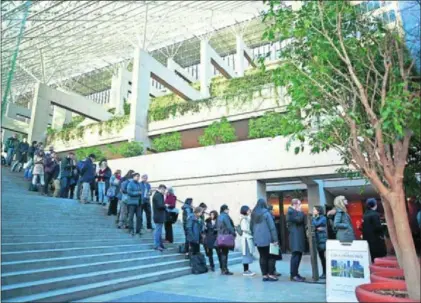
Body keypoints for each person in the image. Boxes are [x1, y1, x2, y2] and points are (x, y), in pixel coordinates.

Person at [251, 199, 278, 281]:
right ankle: (271, 274)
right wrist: (275, 239)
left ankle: (264, 275)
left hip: (258, 240)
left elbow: (251, 228)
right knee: (272, 256)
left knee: (262, 257)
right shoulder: (266, 213)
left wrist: (255, 236)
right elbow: (272, 227)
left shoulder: (253, 214)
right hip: (269, 239)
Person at [287, 198, 306, 282]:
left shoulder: (294, 212)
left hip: (298, 237)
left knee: (298, 255)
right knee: (295, 256)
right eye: (299, 204)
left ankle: (296, 273)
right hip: (295, 238)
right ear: (295, 205)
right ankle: (293, 275)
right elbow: (299, 219)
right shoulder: (291, 212)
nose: (300, 206)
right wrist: (300, 212)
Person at [362, 198, 387, 263]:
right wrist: (384, 226)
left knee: (373, 258)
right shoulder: (375, 214)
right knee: (380, 258)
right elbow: (377, 227)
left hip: (368, 240)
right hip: (376, 240)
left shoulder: (365, 215)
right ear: (375, 205)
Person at [216, 204, 235, 275]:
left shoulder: (219, 216)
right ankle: (225, 269)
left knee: (222, 253)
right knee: (224, 253)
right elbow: (229, 226)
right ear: (225, 209)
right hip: (225, 236)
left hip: (220, 237)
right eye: (227, 209)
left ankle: (223, 269)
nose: (228, 210)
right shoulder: (225, 216)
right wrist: (233, 233)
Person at [239, 205, 256, 277]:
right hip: (246, 238)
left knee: (248, 254)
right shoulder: (244, 219)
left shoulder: (247, 218)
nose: (249, 211)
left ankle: (247, 270)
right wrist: (251, 231)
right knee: (245, 254)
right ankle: (245, 270)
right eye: (248, 210)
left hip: (248, 238)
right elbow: (244, 228)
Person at [312, 205, 327, 279]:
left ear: (318, 211)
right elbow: (313, 227)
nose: (313, 211)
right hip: (318, 240)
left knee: (323, 258)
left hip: (322, 240)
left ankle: (325, 273)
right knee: (321, 257)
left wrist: (313, 219)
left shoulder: (323, 218)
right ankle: (324, 273)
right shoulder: (316, 218)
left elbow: (315, 224)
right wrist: (316, 228)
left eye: (314, 210)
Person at [153, 184, 167, 251]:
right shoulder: (158, 195)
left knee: (159, 231)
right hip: (158, 216)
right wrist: (165, 205)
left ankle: (160, 244)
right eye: (164, 190)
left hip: (159, 215)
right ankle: (156, 245)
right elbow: (160, 205)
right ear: (161, 189)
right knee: (158, 231)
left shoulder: (158, 195)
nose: (164, 192)